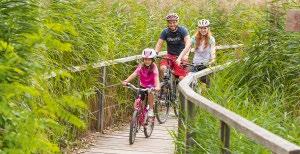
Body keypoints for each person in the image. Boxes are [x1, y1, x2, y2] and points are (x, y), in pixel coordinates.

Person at [122, 48, 160, 117]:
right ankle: (139, 115)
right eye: (145, 59)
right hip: (142, 86)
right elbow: (134, 74)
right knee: (137, 103)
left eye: (149, 59)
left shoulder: (154, 68)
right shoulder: (141, 66)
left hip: (151, 86)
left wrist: (157, 86)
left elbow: (156, 77)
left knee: (150, 93)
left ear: (152, 60)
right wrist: (126, 81)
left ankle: (151, 109)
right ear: (143, 59)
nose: (147, 61)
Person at [155, 13, 191, 80]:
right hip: (170, 56)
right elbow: (159, 44)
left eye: (174, 22)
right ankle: (165, 85)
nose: (172, 24)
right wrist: (155, 53)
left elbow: (188, 43)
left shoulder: (182, 30)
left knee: (182, 78)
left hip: (181, 56)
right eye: (170, 23)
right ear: (167, 23)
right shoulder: (165, 32)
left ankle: (179, 88)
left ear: (177, 22)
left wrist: (186, 55)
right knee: (163, 68)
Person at [188, 19, 216, 85]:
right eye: (201, 28)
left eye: (205, 28)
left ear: (208, 28)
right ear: (198, 28)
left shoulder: (211, 39)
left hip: (206, 64)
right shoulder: (194, 38)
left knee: (205, 84)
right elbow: (188, 46)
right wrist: (186, 54)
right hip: (195, 63)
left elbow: (213, 51)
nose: (203, 30)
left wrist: (213, 59)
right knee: (189, 80)